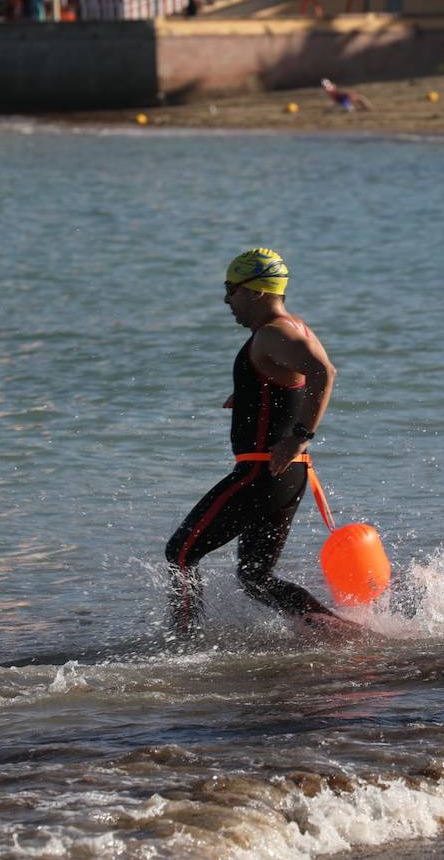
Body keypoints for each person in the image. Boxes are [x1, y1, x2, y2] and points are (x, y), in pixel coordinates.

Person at [164, 248, 350, 635]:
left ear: (256, 291)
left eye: (231, 289)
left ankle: (182, 644)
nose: (227, 300)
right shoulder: (290, 329)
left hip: (261, 474)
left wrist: (299, 436)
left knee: (180, 554)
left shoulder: (274, 332)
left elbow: (323, 372)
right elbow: (292, 381)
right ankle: (339, 634)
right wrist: (250, 395)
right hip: (284, 476)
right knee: (255, 577)